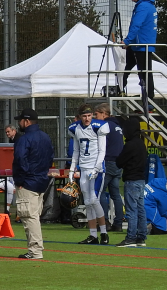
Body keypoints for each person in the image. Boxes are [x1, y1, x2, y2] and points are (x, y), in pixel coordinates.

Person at [12, 108, 54, 260]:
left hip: (28, 182)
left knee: (29, 217)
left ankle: (35, 250)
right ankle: (35, 249)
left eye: (21, 120)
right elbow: (50, 158)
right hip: (41, 180)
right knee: (34, 215)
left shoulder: (24, 139)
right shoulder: (45, 137)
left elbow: (20, 160)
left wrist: (20, 180)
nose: (19, 123)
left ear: (27, 121)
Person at [68, 104, 110, 245]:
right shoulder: (75, 128)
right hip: (84, 169)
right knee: (87, 202)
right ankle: (93, 235)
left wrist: (96, 168)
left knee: (94, 200)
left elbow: (102, 151)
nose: (87, 118)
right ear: (80, 116)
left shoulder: (99, 126)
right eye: (84, 116)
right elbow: (76, 151)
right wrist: (72, 169)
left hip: (96, 169)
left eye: (89, 115)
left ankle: (104, 232)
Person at [122, 0, 157, 104]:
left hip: (141, 46)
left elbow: (136, 25)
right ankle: (121, 88)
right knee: (126, 68)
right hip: (137, 45)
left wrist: (127, 41)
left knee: (145, 73)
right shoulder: (147, 5)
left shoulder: (143, 6)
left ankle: (149, 100)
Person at [115, 114, 146, 247]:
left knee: (131, 210)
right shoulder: (141, 144)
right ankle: (141, 236)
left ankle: (131, 237)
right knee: (140, 209)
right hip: (141, 179)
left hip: (131, 180)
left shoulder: (130, 145)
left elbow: (119, 162)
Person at [95, 103, 124, 231]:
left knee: (100, 191)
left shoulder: (105, 126)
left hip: (108, 162)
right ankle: (118, 223)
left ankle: (104, 221)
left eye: (96, 114)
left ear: (103, 113)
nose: (95, 117)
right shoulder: (117, 126)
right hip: (118, 163)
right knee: (115, 194)